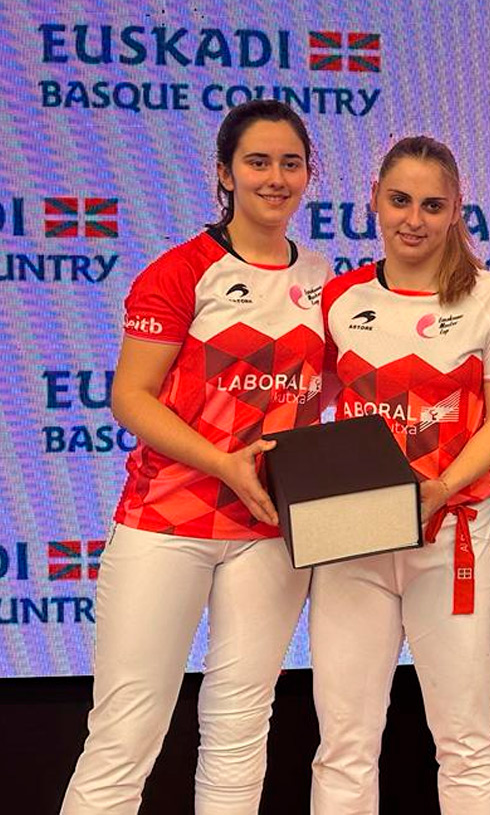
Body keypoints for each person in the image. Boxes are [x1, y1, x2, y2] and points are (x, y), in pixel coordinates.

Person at [61, 100, 327, 814]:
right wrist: (223, 462)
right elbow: (131, 396)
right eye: (257, 162)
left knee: (241, 729)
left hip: (268, 529)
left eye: (291, 163)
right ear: (225, 173)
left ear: (308, 174)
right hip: (166, 521)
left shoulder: (323, 277)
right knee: (124, 734)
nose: (275, 178)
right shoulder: (180, 271)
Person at [309, 136, 490, 814]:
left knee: (466, 741)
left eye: (433, 205)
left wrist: (443, 487)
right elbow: (307, 405)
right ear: (374, 200)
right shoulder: (338, 297)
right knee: (344, 742)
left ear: (456, 209)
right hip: (352, 540)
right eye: (400, 200)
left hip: (451, 538)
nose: (414, 219)